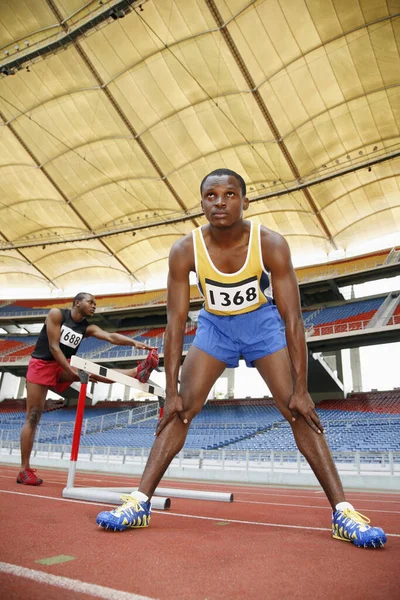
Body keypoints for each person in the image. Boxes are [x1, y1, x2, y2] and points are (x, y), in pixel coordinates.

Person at [96, 169, 386, 548]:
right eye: (211, 195)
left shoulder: (270, 243)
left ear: (245, 202)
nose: (220, 202)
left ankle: (344, 512)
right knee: (179, 408)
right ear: (201, 204)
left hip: (262, 327)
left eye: (230, 194)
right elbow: (175, 322)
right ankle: (138, 503)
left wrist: (302, 388)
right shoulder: (185, 250)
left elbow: (293, 319)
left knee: (299, 410)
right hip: (215, 328)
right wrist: (169, 390)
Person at [17, 292, 159, 485]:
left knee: (94, 373)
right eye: (90, 302)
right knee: (33, 415)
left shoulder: (87, 327)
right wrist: (72, 372)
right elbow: (53, 347)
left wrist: (133, 342)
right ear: (77, 302)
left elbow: (110, 336)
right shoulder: (57, 314)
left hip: (63, 364)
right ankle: (24, 470)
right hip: (42, 364)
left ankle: (138, 370)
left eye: (95, 303)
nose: (94, 306)